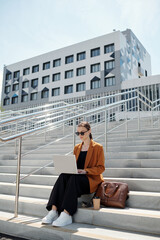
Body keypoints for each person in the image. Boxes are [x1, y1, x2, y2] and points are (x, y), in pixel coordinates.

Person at [42, 121, 105, 227]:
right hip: (77, 177)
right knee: (63, 176)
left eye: (82, 133)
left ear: (89, 131)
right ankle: (53, 210)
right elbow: (73, 165)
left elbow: (101, 168)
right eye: (78, 133)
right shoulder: (77, 148)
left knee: (74, 179)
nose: (80, 135)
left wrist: (86, 171)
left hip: (90, 180)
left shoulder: (98, 147)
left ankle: (67, 214)